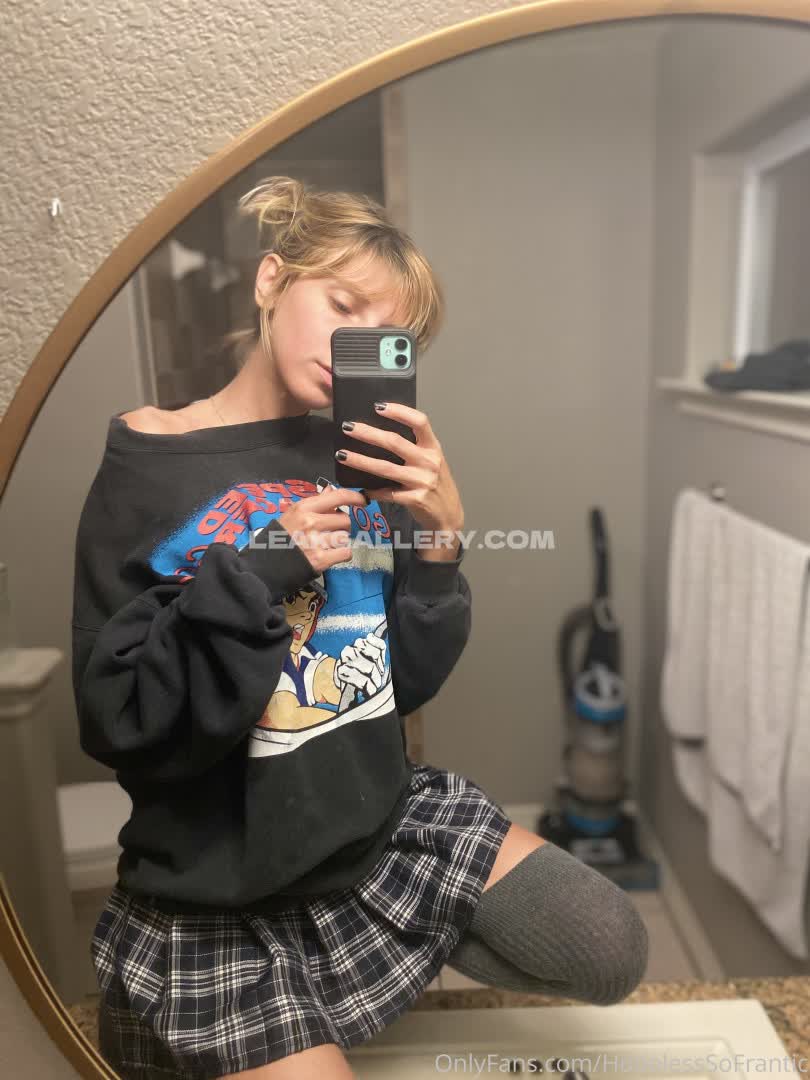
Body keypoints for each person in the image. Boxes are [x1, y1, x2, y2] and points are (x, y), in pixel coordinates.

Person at [74, 176, 648, 1079]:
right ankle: (180, 1035)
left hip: (374, 826)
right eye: (342, 307)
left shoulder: (357, 461)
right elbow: (118, 720)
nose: (356, 347)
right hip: (219, 879)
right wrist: (263, 565)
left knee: (611, 950)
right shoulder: (151, 456)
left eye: (389, 338)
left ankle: (336, 992)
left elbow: (399, 682)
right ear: (270, 281)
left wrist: (441, 546)